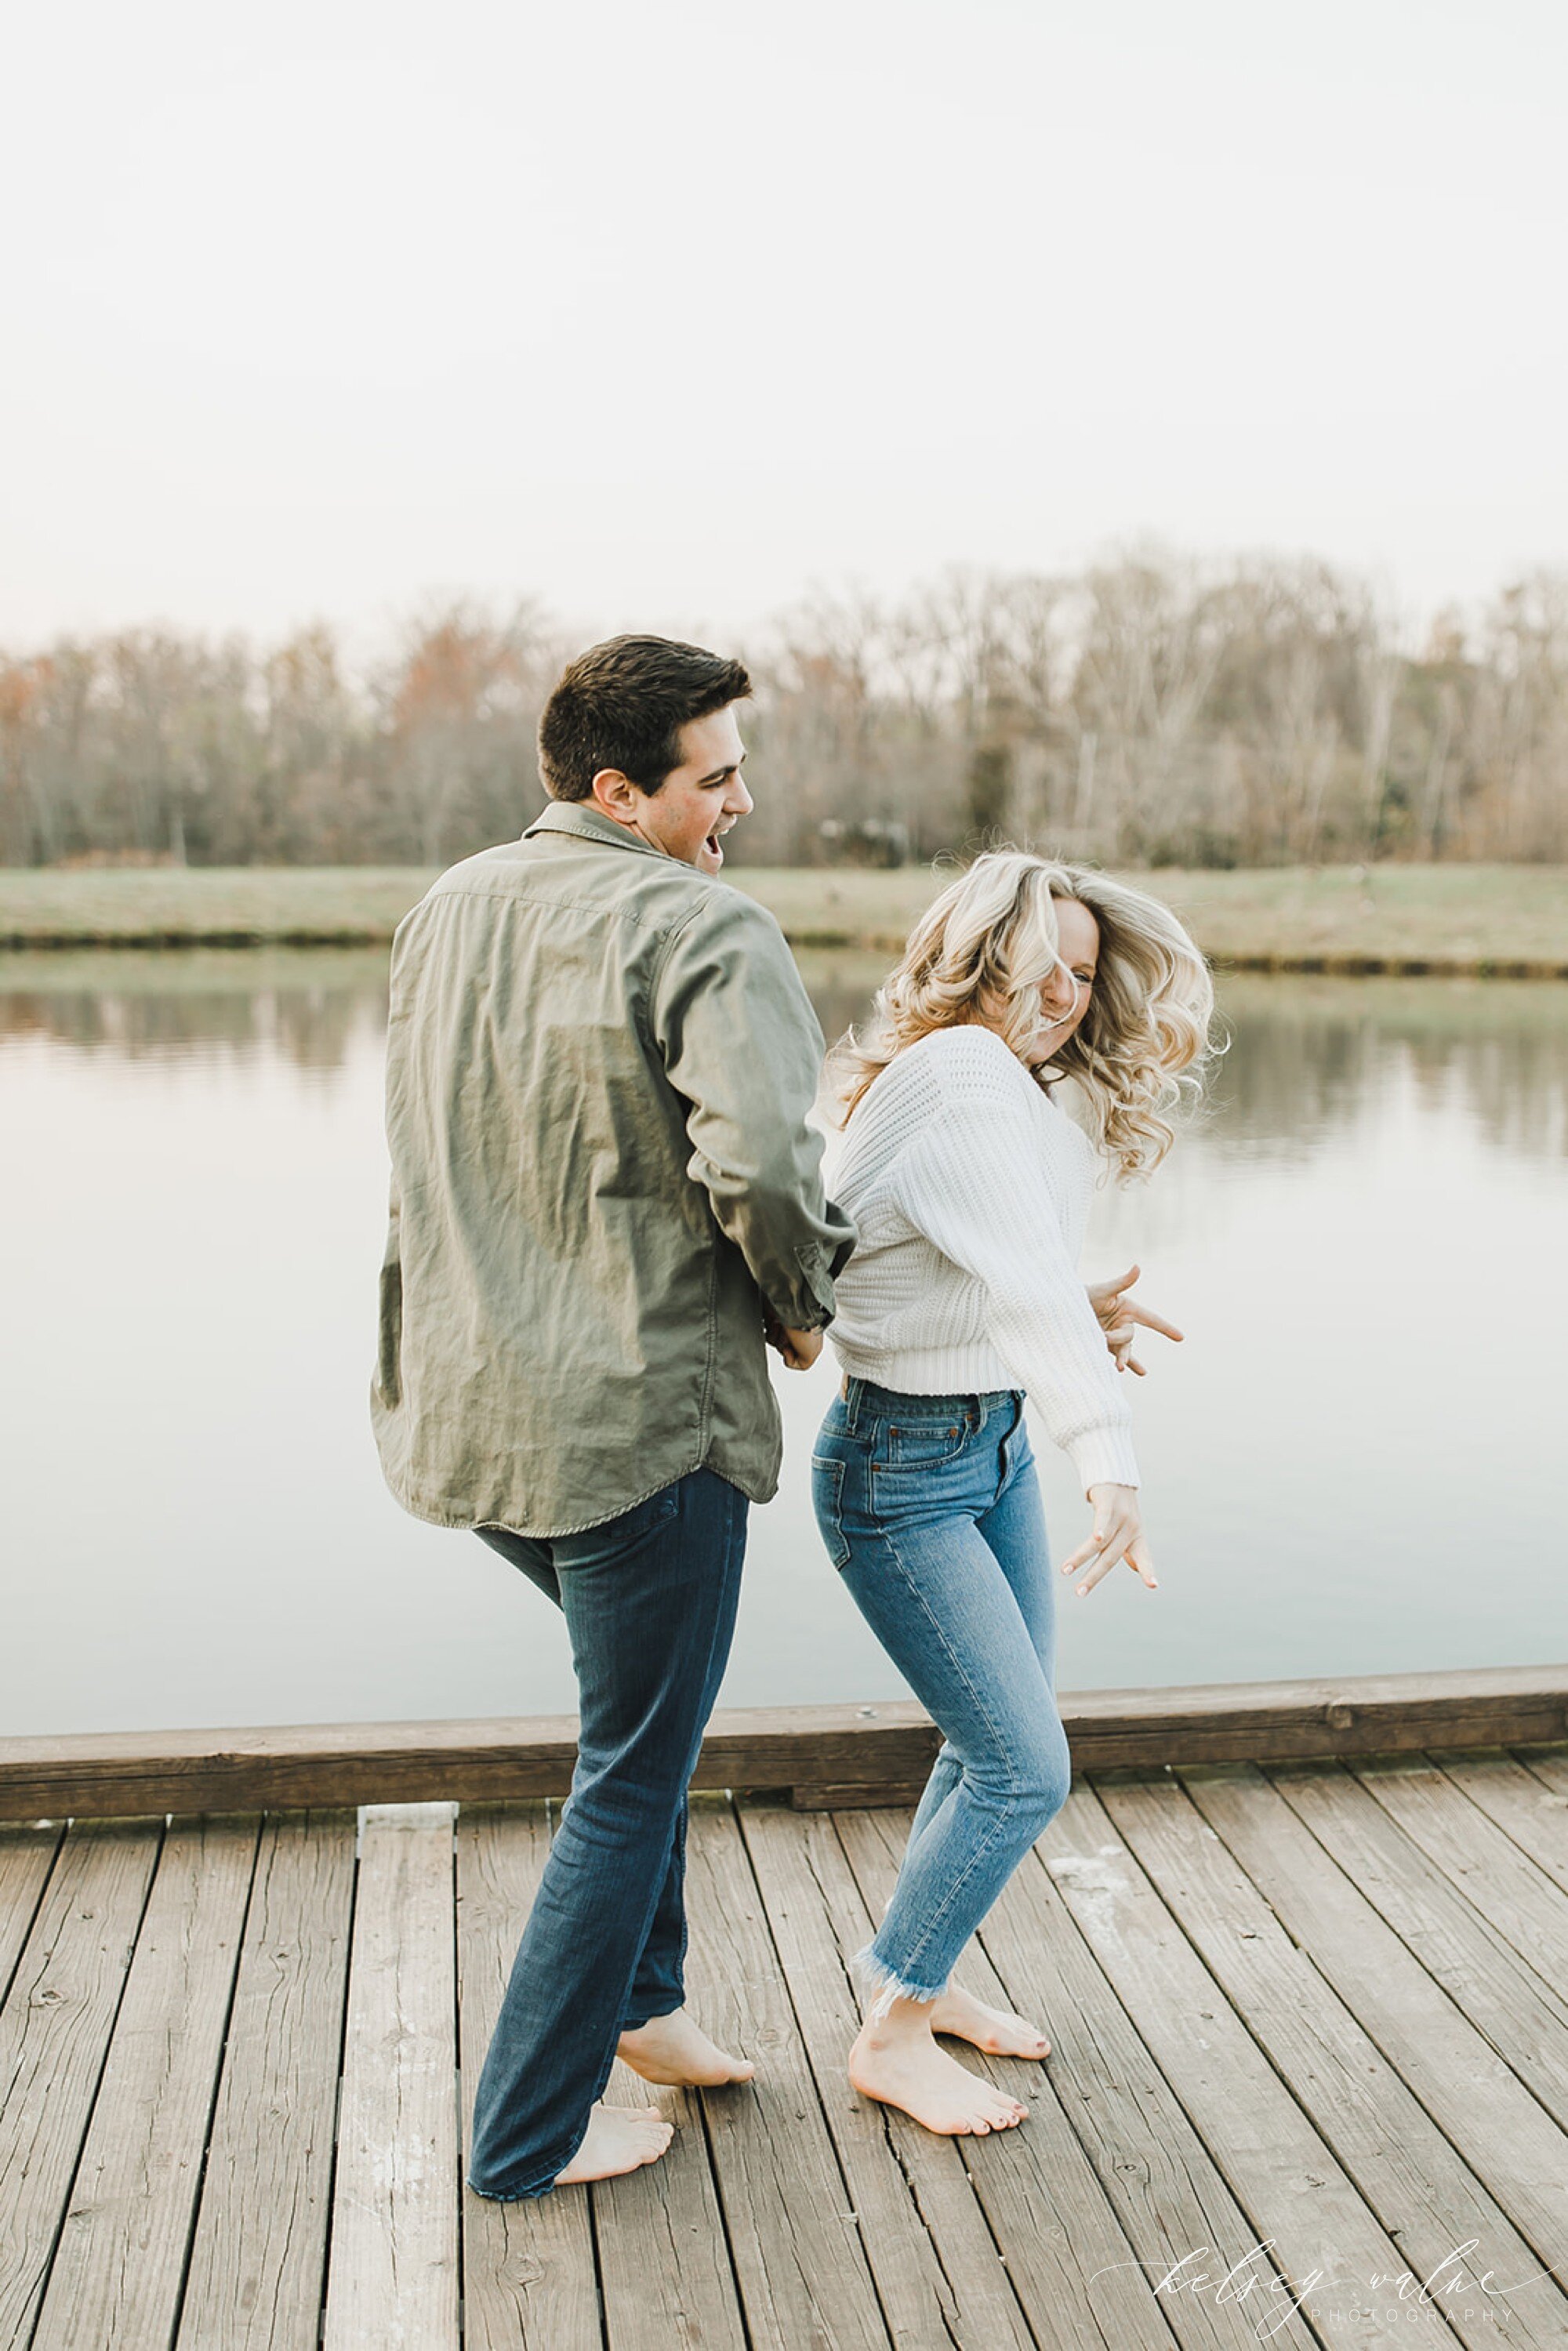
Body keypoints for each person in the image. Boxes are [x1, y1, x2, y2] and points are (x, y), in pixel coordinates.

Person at [371, 634, 855, 2197]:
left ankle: (641, 2011)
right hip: (642, 1427)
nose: (742, 802)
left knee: (631, 1727)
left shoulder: (447, 905)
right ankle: (526, 2133)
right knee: (635, 1762)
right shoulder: (707, 928)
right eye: (715, 778)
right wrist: (799, 1308)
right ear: (618, 791)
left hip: (470, 1421)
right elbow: (771, 1171)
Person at [811, 848, 1214, 2136]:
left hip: (977, 1450)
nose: (1065, 995)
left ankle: (914, 1985)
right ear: (982, 948)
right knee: (1022, 1766)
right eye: (1044, 964)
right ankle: (892, 2028)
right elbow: (1023, 1289)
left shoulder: (1005, 1083)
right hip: (902, 1471)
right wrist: (1111, 1455)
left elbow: (988, 1273)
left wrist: (1072, 1317)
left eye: (1087, 977)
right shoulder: (962, 1075)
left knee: (993, 1742)